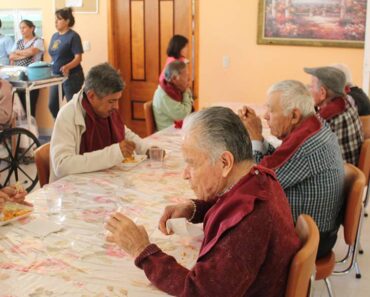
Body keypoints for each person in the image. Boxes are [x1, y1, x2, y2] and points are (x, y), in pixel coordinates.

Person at [106, 107, 300, 296]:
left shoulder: (250, 221)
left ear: (225, 162)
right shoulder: (259, 177)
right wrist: (193, 208)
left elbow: (199, 291)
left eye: (192, 163)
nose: (185, 174)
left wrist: (142, 250)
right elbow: (230, 199)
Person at [238, 80, 345, 259]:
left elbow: (256, 181)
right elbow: (280, 160)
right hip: (320, 230)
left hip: (310, 239)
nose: (265, 116)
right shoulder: (312, 125)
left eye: (271, 110)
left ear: (294, 115)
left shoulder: (306, 143)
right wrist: (259, 140)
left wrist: (255, 137)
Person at [50, 63, 150, 182]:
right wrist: (114, 153)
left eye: (118, 100)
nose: (116, 106)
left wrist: (147, 149)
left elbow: (125, 133)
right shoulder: (68, 115)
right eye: (112, 101)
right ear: (91, 95)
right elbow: (62, 165)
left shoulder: (106, 111)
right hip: (75, 189)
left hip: (104, 182)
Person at [304, 66, 363, 165]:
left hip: (338, 176)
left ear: (322, 93)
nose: (308, 90)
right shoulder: (348, 102)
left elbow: (304, 154)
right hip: (350, 169)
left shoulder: (325, 120)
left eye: (311, 86)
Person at [48, 7, 84, 118]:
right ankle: (61, 128)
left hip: (72, 76)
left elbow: (78, 58)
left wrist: (67, 67)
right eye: (55, 19)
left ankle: (75, 133)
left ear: (67, 21)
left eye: (59, 19)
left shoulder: (73, 36)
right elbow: (54, 55)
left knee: (72, 107)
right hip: (56, 77)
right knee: (52, 105)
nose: (55, 22)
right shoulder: (55, 36)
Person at [9, 20, 45, 117]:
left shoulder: (38, 41)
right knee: (19, 109)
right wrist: (24, 54)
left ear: (32, 28)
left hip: (32, 78)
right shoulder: (18, 41)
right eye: (20, 28)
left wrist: (18, 52)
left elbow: (32, 52)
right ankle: (22, 131)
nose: (22, 30)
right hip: (18, 77)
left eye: (24, 27)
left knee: (30, 107)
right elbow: (11, 56)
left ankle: (31, 131)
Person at [153, 61, 193, 130]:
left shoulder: (176, 88)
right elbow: (183, 115)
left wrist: (186, 93)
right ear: (174, 78)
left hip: (178, 130)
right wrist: (185, 92)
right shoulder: (164, 94)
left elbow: (190, 103)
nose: (189, 79)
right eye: (186, 76)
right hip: (168, 134)